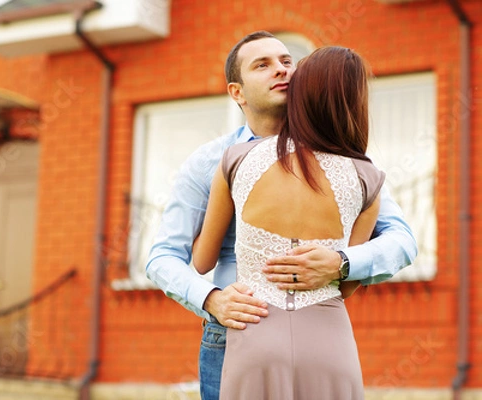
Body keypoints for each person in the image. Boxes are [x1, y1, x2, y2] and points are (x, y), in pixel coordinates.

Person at [146, 31, 417, 400]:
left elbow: (402, 241)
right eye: (263, 65)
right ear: (237, 92)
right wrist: (212, 299)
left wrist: (341, 262)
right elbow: (162, 256)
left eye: (287, 61)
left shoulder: (346, 165)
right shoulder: (211, 161)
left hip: (316, 331)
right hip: (229, 332)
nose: (281, 70)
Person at [193, 45, 383, 399]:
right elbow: (345, 284)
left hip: (254, 333)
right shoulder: (369, 177)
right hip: (329, 342)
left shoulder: (235, 159)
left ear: (299, 94)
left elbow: (203, 261)